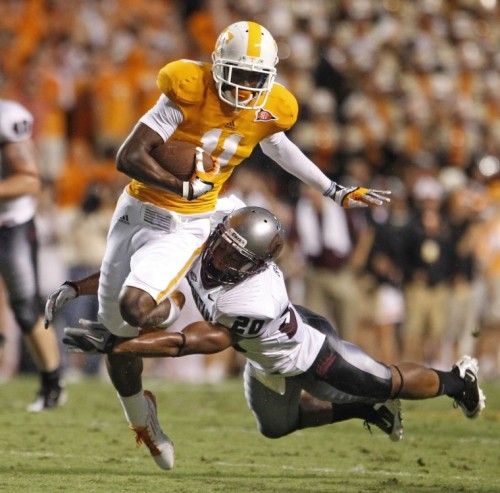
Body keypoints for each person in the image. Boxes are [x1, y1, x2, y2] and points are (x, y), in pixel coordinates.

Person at [44, 21, 390, 470]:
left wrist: (333, 189)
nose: (245, 88)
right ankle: (142, 419)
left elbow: (278, 146)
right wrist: (179, 185)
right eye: (238, 75)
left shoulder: (273, 108)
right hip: (136, 210)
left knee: (132, 311)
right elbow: (128, 156)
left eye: (254, 78)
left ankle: (168, 310)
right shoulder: (188, 87)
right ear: (216, 65)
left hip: (186, 222)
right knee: (117, 328)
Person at [60, 207, 485, 469]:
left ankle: (456, 381)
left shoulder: (256, 294)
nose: (222, 258)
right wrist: (82, 288)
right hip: (264, 362)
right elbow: (151, 280)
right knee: (275, 428)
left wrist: (117, 344)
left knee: (384, 381)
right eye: (224, 246)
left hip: (313, 355)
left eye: (235, 257)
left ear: (255, 265)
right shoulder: (205, 241)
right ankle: (368, 412)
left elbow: (194, 341)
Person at [0, 98, 66, 411]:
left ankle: (52, 383)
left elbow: (30, 180)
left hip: (10, 226)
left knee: (26, 310)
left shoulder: (7, 120)